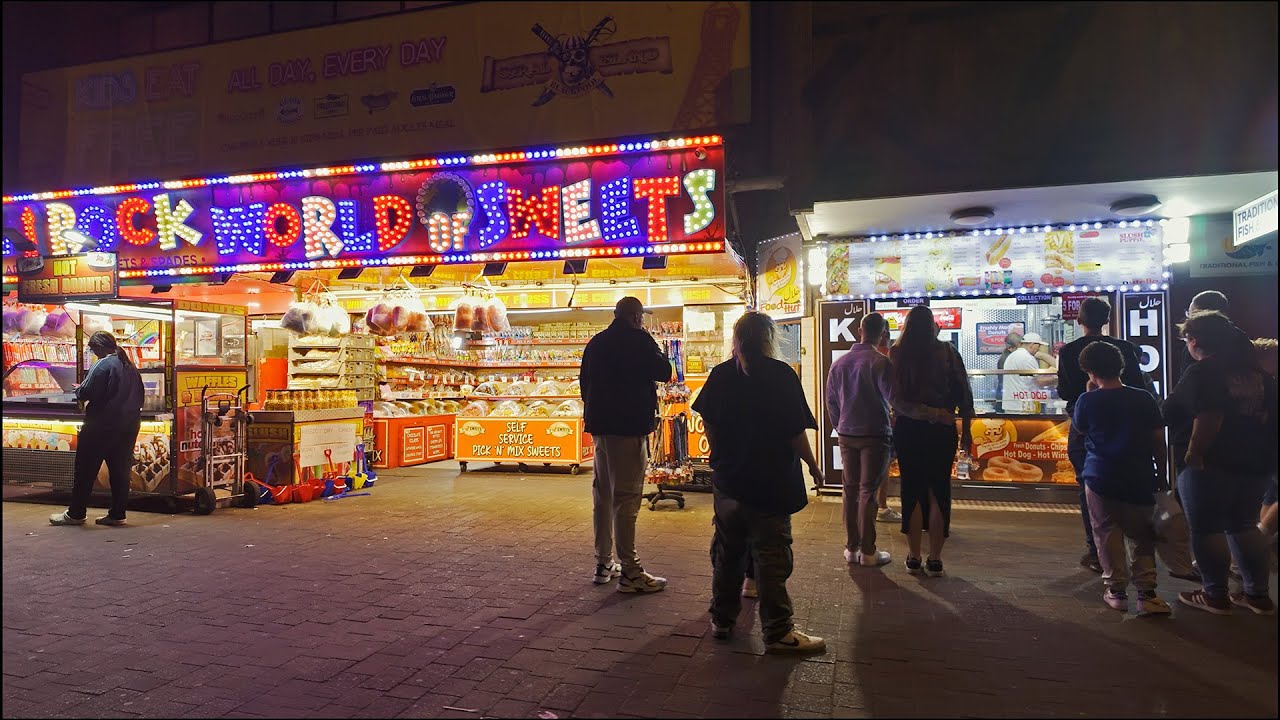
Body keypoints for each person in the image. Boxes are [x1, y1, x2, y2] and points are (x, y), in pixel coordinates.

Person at [693, 311, 826, 653]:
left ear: (737, 339)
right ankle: (779, 631)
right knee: (771, 556)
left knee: (727, 553)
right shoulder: (780, 374)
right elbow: (795, 432)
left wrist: (720, 455)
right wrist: (813, 465)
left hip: (730, 480)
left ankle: (722, 621)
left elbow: (709, 422)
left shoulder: (722, 374)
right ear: (769, 339)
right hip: (770, 481)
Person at [1165, 312, 1277, 616]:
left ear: (1195, 340)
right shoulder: (1258, 374)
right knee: (1244, 525)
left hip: (1210, 462)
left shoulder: (1204, 372)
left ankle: (1215, 595)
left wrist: (1194, 452)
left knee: (1206, 528)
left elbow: (1208, 416)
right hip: (1256, 462)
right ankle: (1258, 595)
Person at [580, 296, 673, 592]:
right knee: (628, 498)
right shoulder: (640, 340)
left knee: (603, 496)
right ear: (635, 318)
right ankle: (631, 571)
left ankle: (603, 562)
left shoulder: (596, 343)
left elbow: (584, 386)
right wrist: (652, 343)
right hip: (629, 429)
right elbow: (665, 372)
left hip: (601, 429)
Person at [1056, 297, 1154, 575]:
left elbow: (1065, 392)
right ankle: (1138, 554)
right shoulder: (1124, 348)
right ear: (1107, 320)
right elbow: (1138, 385)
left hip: (1084, 425)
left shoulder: (1069, 351)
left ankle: (1098, 551)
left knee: (1090, 488)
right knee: (1129, 484)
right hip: (1124, 425)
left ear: (1079, 320)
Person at [1072, 342, 1172, 615]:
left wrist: (1089, 393)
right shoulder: (1143, 398)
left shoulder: (1087, 401)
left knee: (1106, 534)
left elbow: (1080, 430)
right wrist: (1162, 476)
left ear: (1090, 371)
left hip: (1100, 476)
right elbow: (1158, 442)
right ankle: (1147, 593)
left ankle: (1116, 591)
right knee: (1142, 536)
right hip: (1139, 476)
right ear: (1121, 366)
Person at [889, 306, 974, 577]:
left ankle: (914, 556)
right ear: (933, 326)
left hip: (908, 430)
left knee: (911, 490)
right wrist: (966, 431)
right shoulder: (948, 352)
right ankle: (935, 558)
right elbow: (965, 395)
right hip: (942, 431)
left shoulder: (897, 353)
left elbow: (895, 399)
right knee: (939, 490)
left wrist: (921, 413)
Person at [49, 331, 145, 527]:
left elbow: (85, 392)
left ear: (99, 347)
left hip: (101, 424)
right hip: (129, 424)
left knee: (85, 469)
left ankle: (76, 514)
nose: (93, 353)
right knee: (120, 470)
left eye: (93, 349)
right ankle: (118, 514)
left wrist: (78, 388)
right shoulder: (130, 366)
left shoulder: (103, 364)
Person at [825, 312, 895, 567]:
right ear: (883, 334)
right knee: (868, 491)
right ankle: (868, 551)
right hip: (875, 434)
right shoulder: (881, 362)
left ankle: (851, 548)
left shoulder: (839, 363)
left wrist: (840, 424)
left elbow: (831, 402)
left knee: (850, 490)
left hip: (847, 433)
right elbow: (893, 400)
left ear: (859, 331)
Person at [873, 325, 902, 524]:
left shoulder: (860, 357)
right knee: (883, 466)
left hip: (862, 424)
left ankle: (873, 505)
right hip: (887, 421)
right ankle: (881, 506)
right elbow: (895, 394)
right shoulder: (889, 358)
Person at [1001, 332, 1056, 413]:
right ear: (1032, 345)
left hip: (1011, 405)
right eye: (1038, 346)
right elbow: (1039, 382)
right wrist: (1058, 379)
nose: (1038, 348)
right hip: (1023, 407)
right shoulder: (1027, 358)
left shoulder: (1012, 356)